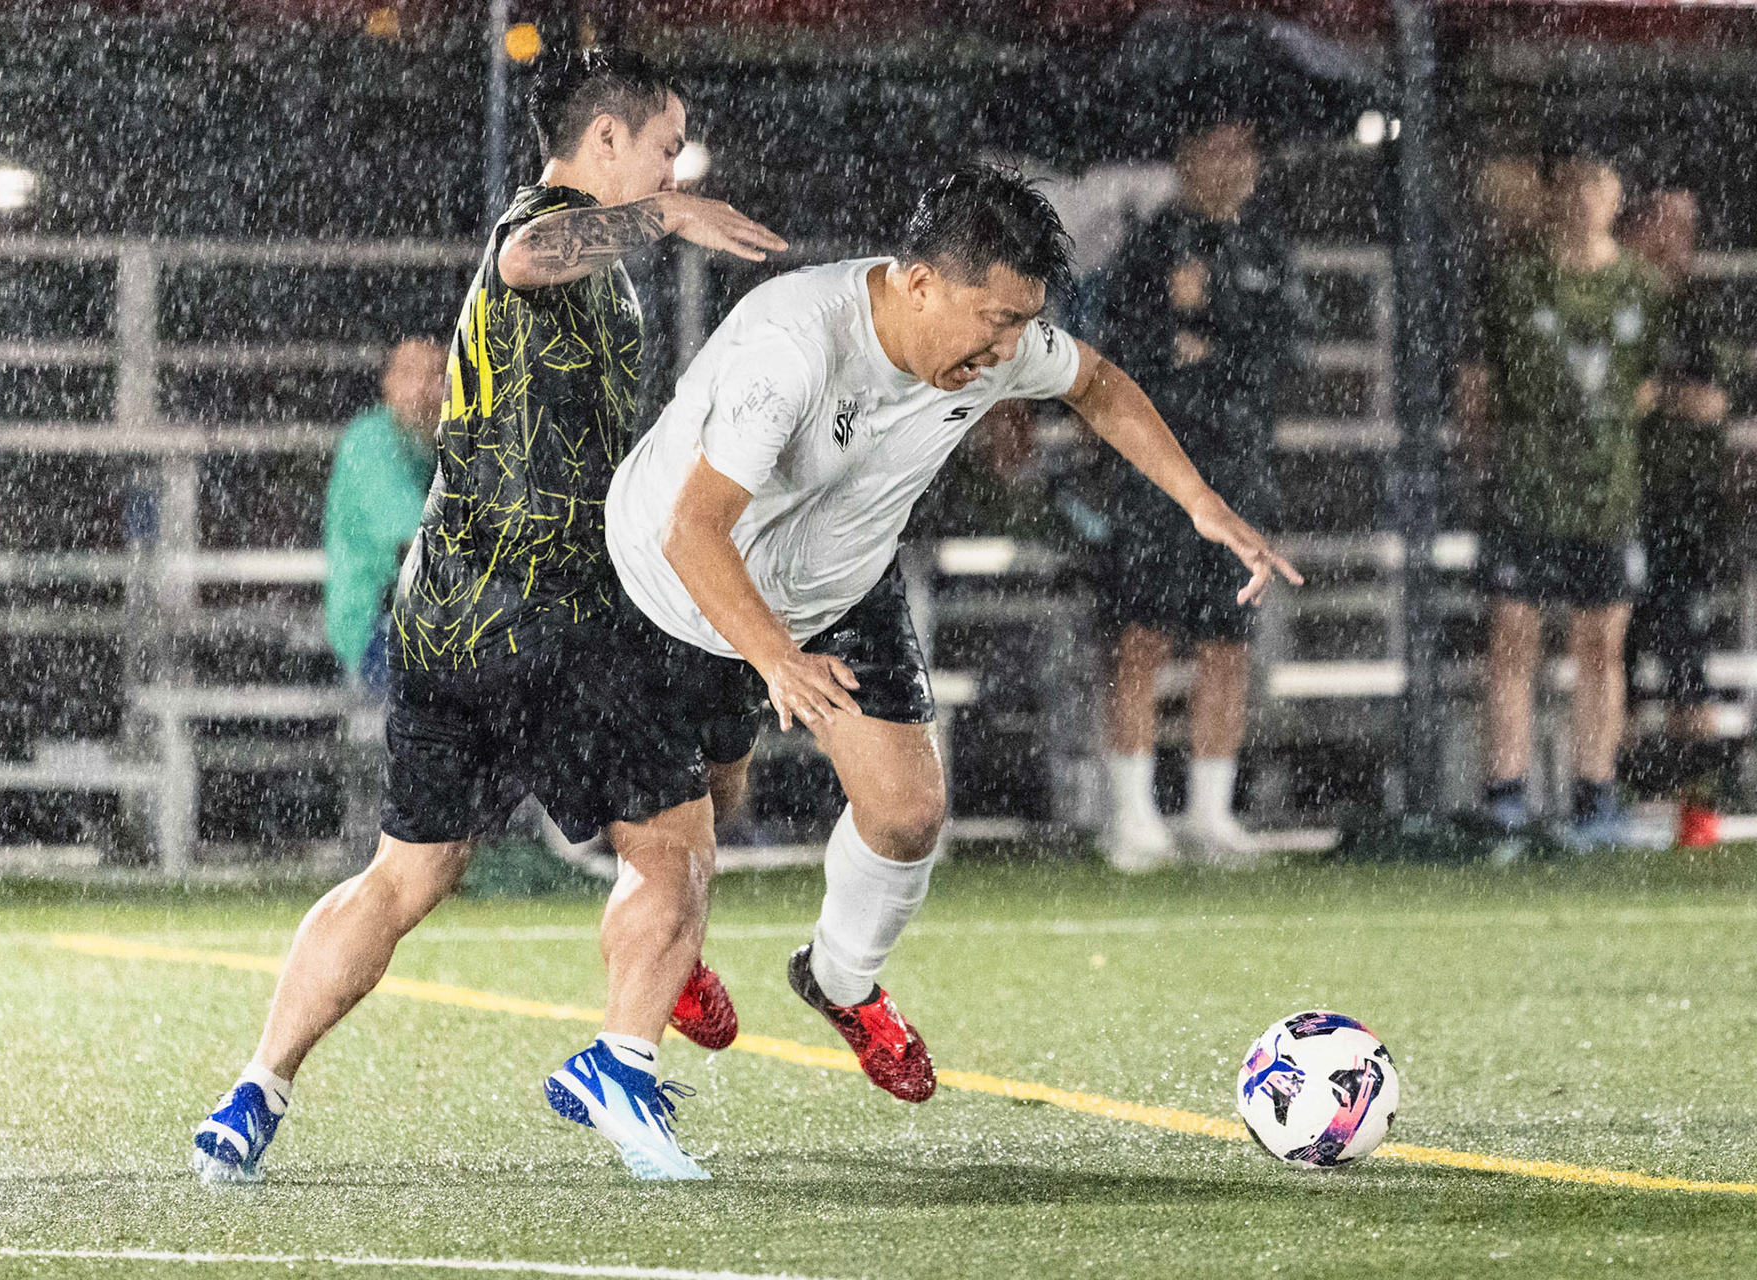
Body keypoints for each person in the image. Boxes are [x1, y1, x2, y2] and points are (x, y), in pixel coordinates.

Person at [541, 165, 1299, 1178]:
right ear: (919, 284)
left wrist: (1199, 501)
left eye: (1022, 324)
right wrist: (774, 658)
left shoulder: (991, 338)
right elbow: (694, 530)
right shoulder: (792, 348)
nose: (1007, 351)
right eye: (995, 322)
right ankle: (655, 990)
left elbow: (1098, 384)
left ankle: (839, 980)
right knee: (687, 840)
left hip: (837, 587)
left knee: (907, 813)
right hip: (672, 590)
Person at [189, 47, 786, 1186]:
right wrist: (666, 215)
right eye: (665, 148)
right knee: (677, 842)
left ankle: (254, 1089)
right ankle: (622, 1062)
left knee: (404, 878)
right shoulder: (549, 227)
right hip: (552, 620)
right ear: (605, 139)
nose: (675, 168)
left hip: (445, 619)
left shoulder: (594, 265)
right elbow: (523, 255)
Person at [1060, 118, 1305, 871]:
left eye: (1244, 151)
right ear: (1186, 158)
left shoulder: (1267, 246)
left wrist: (1210, 313)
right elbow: (1125, 354)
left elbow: (1286, 349)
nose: (1233, 165)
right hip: (1157, 471)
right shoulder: (1148, 244)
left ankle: (1210, 814)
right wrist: (1187, 332)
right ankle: (1132, 815)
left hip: (1239, 467)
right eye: (1217, 150)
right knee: (1141, 633)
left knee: (1228, 639)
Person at [1459, 151, 1667, 847]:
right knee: (1512, 638)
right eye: (1574, 184)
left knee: (1602, 644)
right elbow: (1478, 385)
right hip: (1526, 489)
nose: (1585, 198)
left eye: (1598, 184)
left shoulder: (1642, 287)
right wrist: (1490, 459)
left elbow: (1651, 387)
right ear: (1555, 193)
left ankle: (1594, 793)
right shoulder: (1516, 280)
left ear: (1617, 195)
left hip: (1607, 495)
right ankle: (1506, 794)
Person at [1621, 189, 1737, 846]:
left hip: (1683, 512)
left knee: (1687, 664)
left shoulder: (1694, 310)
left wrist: (1658, 396)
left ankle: (1698, 811)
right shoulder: (1619, 297)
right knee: (1613, 658)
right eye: (1673, 224)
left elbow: (1712, 403)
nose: (1685, 239)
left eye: (1691, 226)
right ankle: (1610, 804)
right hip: (1618, 506)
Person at [323, 338, 445, 691]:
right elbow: (416, 544)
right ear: (387, 385)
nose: (423, 388)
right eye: (410, 374)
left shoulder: (441, 444)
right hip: (377, 625)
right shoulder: (371, 442)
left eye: (436, 375)